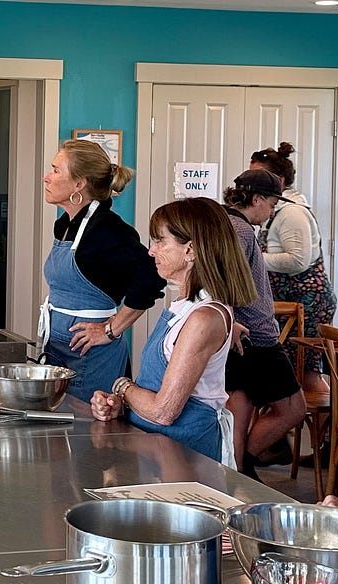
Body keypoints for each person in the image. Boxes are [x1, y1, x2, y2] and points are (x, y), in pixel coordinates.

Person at [90, 197, 256, 466]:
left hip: (185, 454)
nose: (151, 251)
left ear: (190, 249)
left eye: (160, 241)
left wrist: (122, 387)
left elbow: (163, 411)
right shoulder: (185, 307)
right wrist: (120, 404)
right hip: (160, 448)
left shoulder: (204, 318)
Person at [39, 139, 165, 401]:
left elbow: (151, 276)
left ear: (79, 184)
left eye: (55, 170)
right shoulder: (65, 225)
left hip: (90, 358)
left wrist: (111, 329)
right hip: (58, 349)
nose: (46, 177)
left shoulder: (107, 230)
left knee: (89, 436)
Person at [221, 169, 307, 479]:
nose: (271, 212)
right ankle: (244, 464)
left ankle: (236, 470)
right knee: (294, 408)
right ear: (255, 199)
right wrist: (229, 319)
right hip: (254, 335)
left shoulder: (226, 222)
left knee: (239, 404)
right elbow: (225, 281)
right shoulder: (241, 230)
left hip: (239, 335)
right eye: (270, 204)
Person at [250, 143, 336, 395]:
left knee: (306, 374)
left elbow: (299, 260)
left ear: (280, 180)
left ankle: (325, 430)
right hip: (288, 303)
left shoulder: (292, 213)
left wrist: (255, 258)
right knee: (288, 373)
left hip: (307, 304)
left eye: (258, 176)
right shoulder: (275, 211)